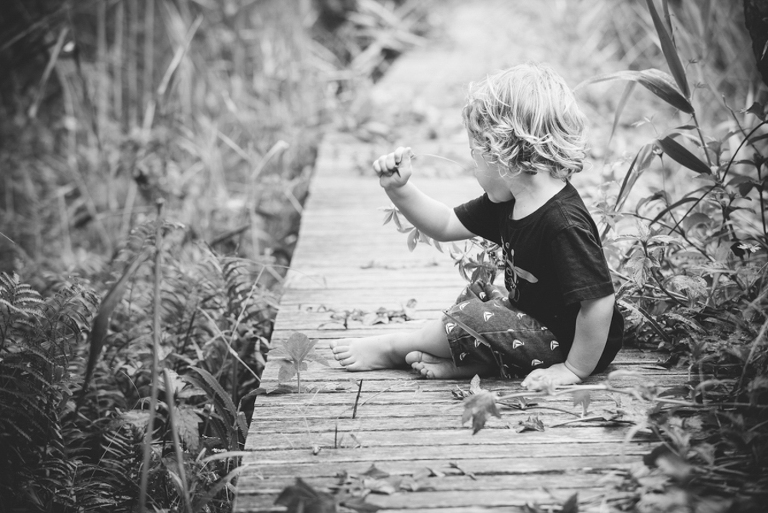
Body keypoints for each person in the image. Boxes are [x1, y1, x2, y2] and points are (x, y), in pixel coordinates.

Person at [329, 62, 623, 390]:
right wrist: (399, 189)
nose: (473, 168)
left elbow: (599, 302)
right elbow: (444, 223)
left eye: (475, 155)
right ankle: (471, 362)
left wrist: (573, 369)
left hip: (570, 344)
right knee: (479, 294)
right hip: (532, 323)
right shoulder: (509, 201)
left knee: (471, 318)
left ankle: (394, 347)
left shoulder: (562, 222)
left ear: (501, 151)